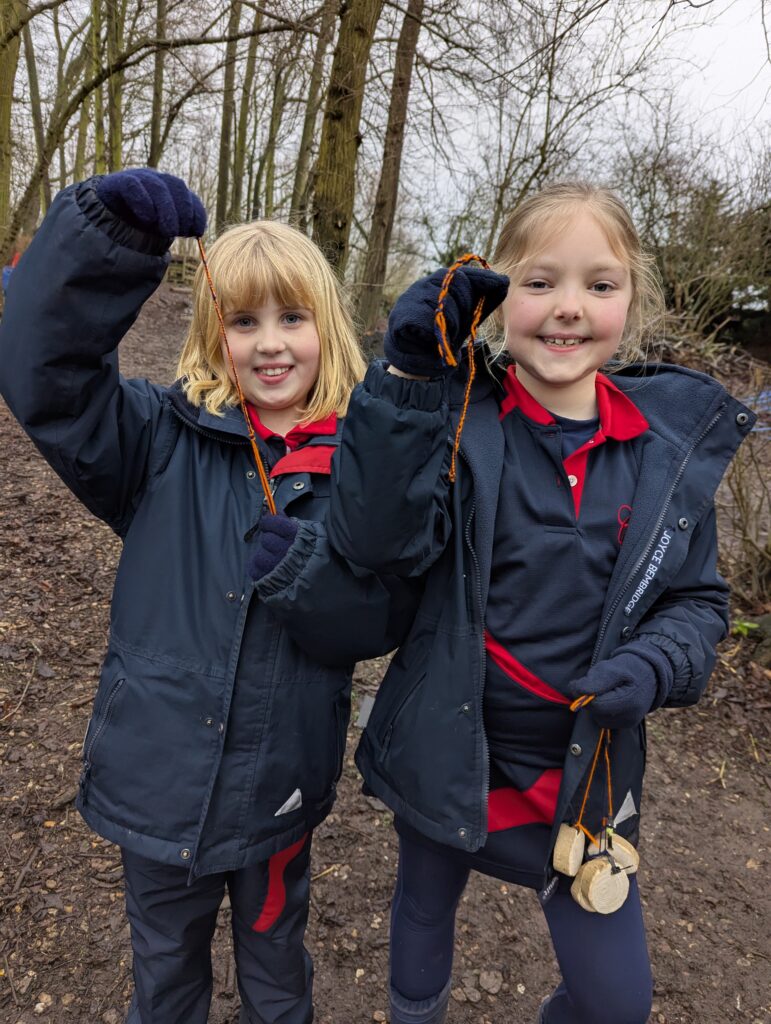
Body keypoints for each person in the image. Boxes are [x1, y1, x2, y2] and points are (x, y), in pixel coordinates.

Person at [298, 181, 753, 1023]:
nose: (568, 308)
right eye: (539, 283)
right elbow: (373, 541)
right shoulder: (457, 419)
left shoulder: (661, 460)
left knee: (615, 1001)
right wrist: (403, 376)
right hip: (450, 751)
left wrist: (654, 665)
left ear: (633, 300)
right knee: (423, 914)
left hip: (582, 777)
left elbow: (697, 604)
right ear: (499, 293)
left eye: (599, 284)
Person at [0, 168, 417, 1024]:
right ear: (211, 331)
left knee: (275, 972)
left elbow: (382, 618)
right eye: (244, 320)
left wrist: (308, 577)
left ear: (327, 328)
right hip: (155, 783)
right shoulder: (154, 439)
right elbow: (45, 374)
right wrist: (104, 244)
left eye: (292, 318)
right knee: (165, 974)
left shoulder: (358, 467)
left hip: (277, 793)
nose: (270, 343)